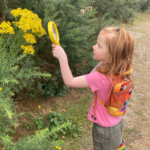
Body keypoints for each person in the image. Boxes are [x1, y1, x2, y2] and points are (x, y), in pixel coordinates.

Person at [52, 27, 134, 150]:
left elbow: (70, 81)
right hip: (116, 122)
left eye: (99, 46)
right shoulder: (120, 68)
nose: (94, 47)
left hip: (104, 130)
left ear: (111, 55)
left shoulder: (101, 77)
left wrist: (62, 58)